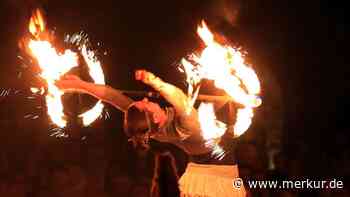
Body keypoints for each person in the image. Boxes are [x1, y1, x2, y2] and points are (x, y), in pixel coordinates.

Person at [56, 69, 246, 197]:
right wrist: (155, 82)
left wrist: (80, 85)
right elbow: (179, 97)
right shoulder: (186, 125)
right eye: (145, 104)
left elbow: (110, 95)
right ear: (155, 118)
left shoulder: (149, 126)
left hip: (203, 176)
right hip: (217, 183)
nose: (146, 98)